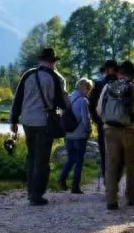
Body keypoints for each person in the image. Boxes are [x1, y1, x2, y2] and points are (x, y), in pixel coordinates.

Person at [11, 48, 70, 206]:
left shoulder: (28, 75)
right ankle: (37, 195)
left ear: (40, 60)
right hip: (44, 122)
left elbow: (17, 98)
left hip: (27, 121)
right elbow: (63, 103)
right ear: (53, 62)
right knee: (42, 160)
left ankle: (30, 191)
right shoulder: (56, 77)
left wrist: (13, 121)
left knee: (31, 157)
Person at [96, 61, 134, 210]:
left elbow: (99, 110)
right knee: (131, 165)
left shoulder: (108, 87)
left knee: (111, 164)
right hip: (131, 131)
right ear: (132, 75)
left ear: (119, 73)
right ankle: (131, 196)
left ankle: (111, 199)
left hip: (110, 130)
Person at [58, 78, 94, 194]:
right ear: (85, 87)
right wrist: (89, 130)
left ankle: (61, 179)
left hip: (68, 134)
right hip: (79, 135)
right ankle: (75, 187)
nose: (89, 91)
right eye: (88, 89)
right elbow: (85, 119)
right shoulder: (83, 100)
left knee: (70, 158)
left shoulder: (69, 97)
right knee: (79, 161)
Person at [89, 60, 119, 179]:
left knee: (104, 152)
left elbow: (91, 105)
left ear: (106, 71)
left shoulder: (98, 85)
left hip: (103, 123)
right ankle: (115, 179)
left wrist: (97, 120)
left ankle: (107, 179)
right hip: (119, 124)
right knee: (117, 152)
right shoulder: (123, 84)